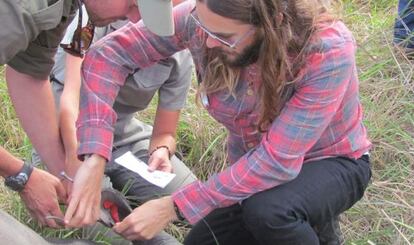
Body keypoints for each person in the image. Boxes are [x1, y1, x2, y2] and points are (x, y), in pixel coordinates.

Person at [74, 0, 372, 244]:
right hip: (251, 170)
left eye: (225, 37)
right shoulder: (203, 20)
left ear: (273, 21)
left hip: (332, 161)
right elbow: (107, 57)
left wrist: (173, 206)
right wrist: (96, 155)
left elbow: (277, 160)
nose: (207, 42)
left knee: (270, 212)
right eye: (203, 28)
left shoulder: (326, 49)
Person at [0, 0, 176, 228]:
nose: (133, 19)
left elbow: (28, 75)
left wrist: (67, 176)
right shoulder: (27, 6)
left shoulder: (67, 7)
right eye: (133, 4)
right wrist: (21, 175)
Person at [46, 1, 195, 242]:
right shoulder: (93, 19)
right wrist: (78, 165)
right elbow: (69, 103)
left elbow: (165, 132)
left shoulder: (179, 50)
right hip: (70, 141)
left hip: (125, 140)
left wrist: (161, 150)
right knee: (113, 233)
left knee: (198, 205)